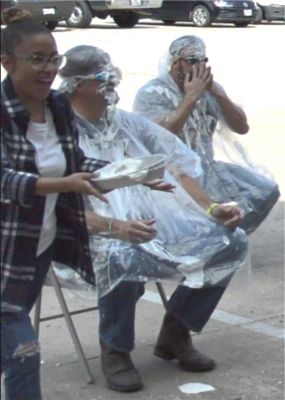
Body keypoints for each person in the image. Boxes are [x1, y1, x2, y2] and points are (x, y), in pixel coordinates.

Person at [58, 45, 249, 393]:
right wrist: (114, 227)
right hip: (87, 233)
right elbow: (59, 206)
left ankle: (176, 332)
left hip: (143, 225)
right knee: (123, 254)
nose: (111, 82)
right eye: (101, 77)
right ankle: (114, 350)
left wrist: (211, 208)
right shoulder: (61, 132)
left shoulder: (126, 123)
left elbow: (174, 164)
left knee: (229, 241)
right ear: (76, 84)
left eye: (112, 73)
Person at [0, 8, 154, 400]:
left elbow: (76, 165)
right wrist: (62, 184)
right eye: (36, 59)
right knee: (23, 352)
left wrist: (132, 174)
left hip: (36, 248)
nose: (47, 68)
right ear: (7, 62)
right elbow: (6, 179)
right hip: (5, 250)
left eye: (53, 59)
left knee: (13, 343)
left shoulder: (57, 107)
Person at [133, 35, 280, 234]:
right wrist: (191, 96)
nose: (199, 66)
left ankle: (229, 234)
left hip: (207, 167)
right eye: (192, 61)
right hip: (172, 174)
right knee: (192, 223)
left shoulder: (209, 90)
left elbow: (242, 127)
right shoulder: (152, 93)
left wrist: (218, 94)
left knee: (265, 191)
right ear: (175, 64)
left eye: (204, 60)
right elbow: (161, 135)